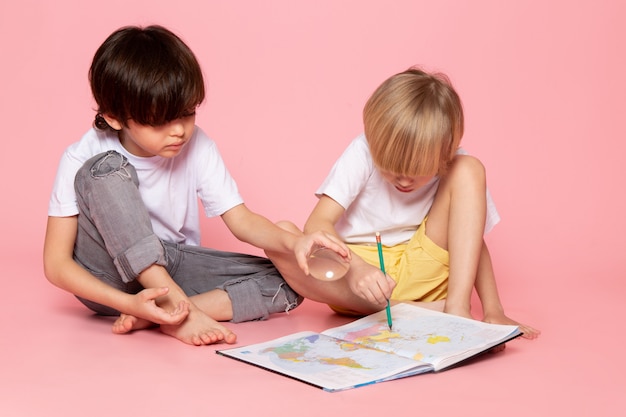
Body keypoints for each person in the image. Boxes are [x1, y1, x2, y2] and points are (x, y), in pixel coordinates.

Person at [43, 25, 349, 346]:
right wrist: (128, 303)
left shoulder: (198, 145)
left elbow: (241, 220)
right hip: (107, 279)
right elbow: (57, 264)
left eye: (187, 113)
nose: (179, 130)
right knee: (105, 167)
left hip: (174, 263)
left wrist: (292, 245)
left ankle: (166, 313)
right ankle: (176, 308)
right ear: (115, 117)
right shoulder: (84, 155)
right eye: (159, 120)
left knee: (289, 280)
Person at [266, 67, 540, 339]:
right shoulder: (361, 152)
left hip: (423, 267)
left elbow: (471, 238)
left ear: (444, 154)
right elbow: (317, 223)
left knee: (470, 168)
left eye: (419, 171)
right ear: (374, 143)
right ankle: (420, 310)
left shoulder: (455, 165)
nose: (404, 181)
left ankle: (455, 309)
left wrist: (493, 309)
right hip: (358, 277)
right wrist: (356, 269)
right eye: (391, 167)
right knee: (281, 234)